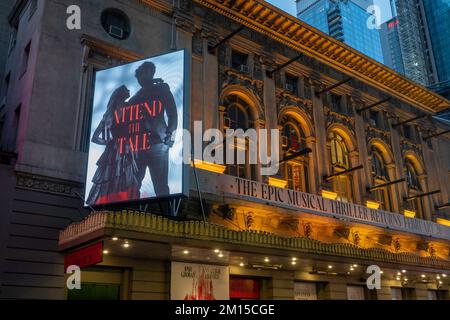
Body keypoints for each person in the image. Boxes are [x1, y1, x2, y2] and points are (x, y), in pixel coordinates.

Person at [128, 61, 178, 197]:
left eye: (147, 73)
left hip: (158, 142)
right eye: (140, 76)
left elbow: (172, 112)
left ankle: (166, 216)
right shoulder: (135, 98)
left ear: (151, 73)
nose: (142, 78)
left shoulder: (161, 89)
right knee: (134, 185)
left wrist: (170, 135)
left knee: (160, 186)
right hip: (138, 146)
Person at [86, 85, 140, 205]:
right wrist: (107, 142)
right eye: (126, 90)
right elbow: (94, 138)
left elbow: (94, 138)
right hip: (120, 150)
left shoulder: (114, 112)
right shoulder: (127, 109)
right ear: (121, 94)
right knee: (119, 177)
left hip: (120, 150)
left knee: (121, 177)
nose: (129, 91)